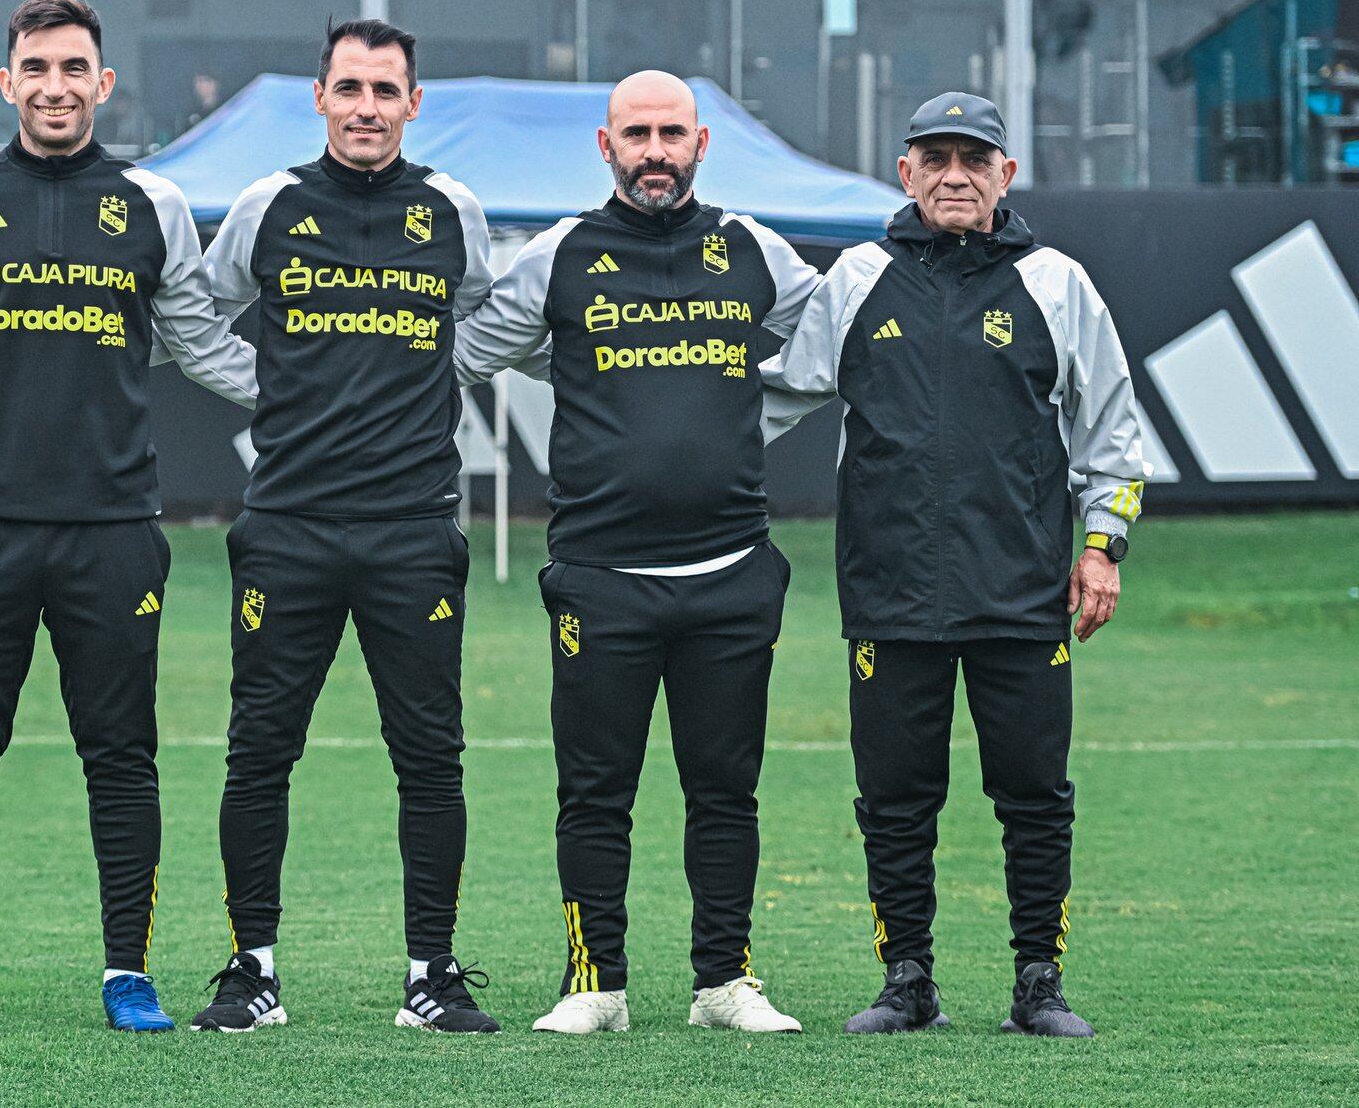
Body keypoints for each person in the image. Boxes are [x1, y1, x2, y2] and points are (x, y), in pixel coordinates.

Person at [0, 0, 257, 1033]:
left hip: (113, 534)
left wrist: (334, 386)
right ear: (7, 83)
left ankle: (125, 973)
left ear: (102, 83)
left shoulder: (150, 203)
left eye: (72, 68)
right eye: (34, 69)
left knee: (120, 757)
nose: (53, 86)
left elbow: (202, 345)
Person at [764, 92, 1151, 1038]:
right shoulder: (858, 276)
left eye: (974, 158)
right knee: (895, 799)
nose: (954, 175)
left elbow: (1114, 434)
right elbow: (771, 399)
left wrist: (1102, 547)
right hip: (888, 596)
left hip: (1022, 596)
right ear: (905, 172)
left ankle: (1039, 982)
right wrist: (664, 431)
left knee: (1035, 796)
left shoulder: (1058, 283)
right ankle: (907, 981)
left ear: (1006, 175)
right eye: (934, 157)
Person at [454, 71, 818, 1036]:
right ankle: (594, 982)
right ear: (604, 146)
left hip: (730, 573)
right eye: (635, 134)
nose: (653, 150)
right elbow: (469, 351)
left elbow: (834, 346)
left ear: (701, 143)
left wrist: (751, 417)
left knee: (724, 789)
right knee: (595, 791)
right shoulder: (560, 256)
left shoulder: (753, 251)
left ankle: (724, 983)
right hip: (601, 579)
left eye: (670, 133)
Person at [190, 18, 498, 1034]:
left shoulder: (450, 210)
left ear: (414, 104)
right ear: (317, 99)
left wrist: (424, 386)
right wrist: (270, 387)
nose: (366, 107)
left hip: (412, 528)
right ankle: (252, 973)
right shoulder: (267, 205)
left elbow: (483, 318)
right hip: (287, 525)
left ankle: (431, 976)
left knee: (430, 758)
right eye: (348, 88)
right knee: (258, 752)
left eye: (385, 91)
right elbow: (198, 313)